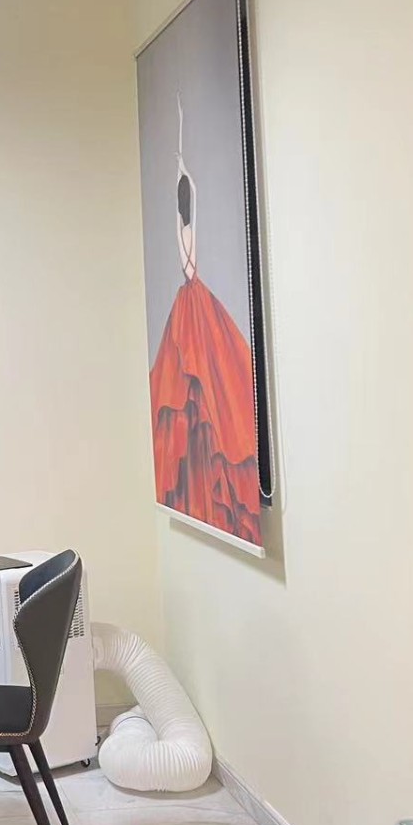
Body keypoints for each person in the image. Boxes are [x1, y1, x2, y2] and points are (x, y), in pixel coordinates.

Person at [148, 100, 262, 546]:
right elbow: (191, 197)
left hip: (190, 301)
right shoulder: (189, 229)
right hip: (196, 301)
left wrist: (180, 155)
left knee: (195, 392)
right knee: (205, 391)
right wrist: (184, 166)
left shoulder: (182, 229)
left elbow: (185, 200)